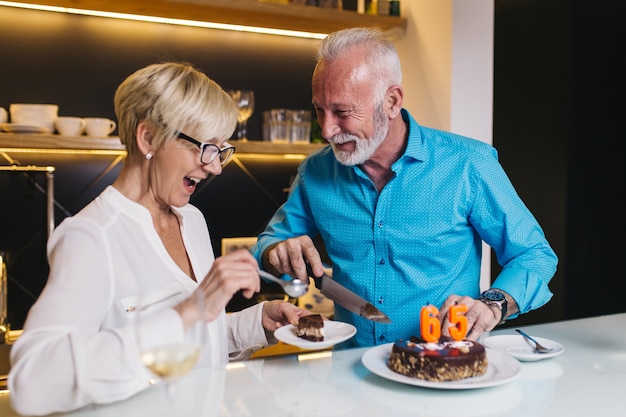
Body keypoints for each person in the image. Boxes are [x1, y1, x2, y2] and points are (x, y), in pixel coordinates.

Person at [9, 62, 310, 416]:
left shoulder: (192, 220)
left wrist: (251, 324)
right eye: (205, 146)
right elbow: (34, 383)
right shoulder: (91, 236)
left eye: (220, 149)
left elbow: (187, 344)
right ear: (148, 137)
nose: (215, 166)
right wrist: (190, 308)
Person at [251, 27, 558, 348]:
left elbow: (533, 255)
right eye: (319, 110)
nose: (327, 130)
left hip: (444, 364)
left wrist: (492, 303)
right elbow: (267, 246)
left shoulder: (469, 164)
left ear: (392, 101)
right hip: (351, 373)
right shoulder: (315, 172)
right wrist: (275, 252)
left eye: (342, 112)